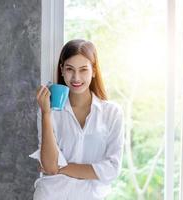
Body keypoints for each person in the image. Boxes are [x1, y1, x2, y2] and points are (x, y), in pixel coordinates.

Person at [29, 39, 125, 200]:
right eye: (70, 69)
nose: (76, 77)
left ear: (94, 71)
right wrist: (46, 113)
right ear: (62, 70)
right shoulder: (49, 111)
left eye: (83, 70)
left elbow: (112, 169)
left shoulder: (112, 113)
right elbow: (49, 165)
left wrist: (62, 168)